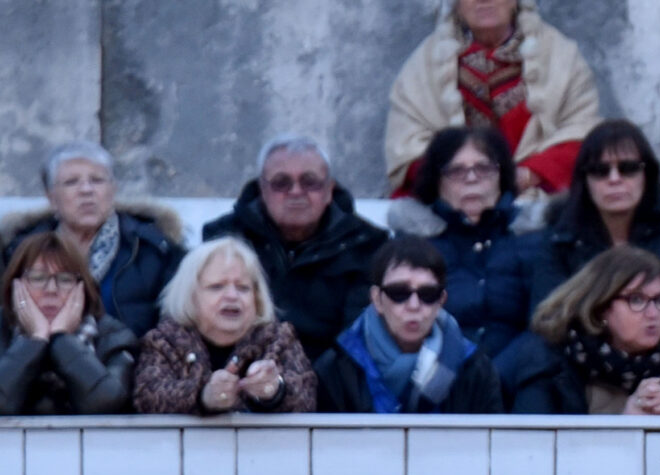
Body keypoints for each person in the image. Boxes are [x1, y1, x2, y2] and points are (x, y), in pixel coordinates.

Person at [385, 0, 602, 201]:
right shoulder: (424, 66)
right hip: (453, 207)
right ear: (456, 0)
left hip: (540, 200)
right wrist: (461, 178)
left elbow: (584, 134)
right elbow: (406, 149)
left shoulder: (561, 57)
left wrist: (527, 176)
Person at [201, 136, 389, 359]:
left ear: (329, 189)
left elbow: (358, 338)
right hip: (239, 371)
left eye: (309, 182)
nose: (296, 192)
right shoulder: (223, 238)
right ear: (262, 189)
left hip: (331, 380)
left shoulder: (368, 245)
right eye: (281, 183)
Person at [516, 122, 660, 320]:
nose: (614, 179)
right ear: (584, 180)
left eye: (628, 168)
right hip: (578, 349)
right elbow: (547, 318)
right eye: (600, 170)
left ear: (647, 174)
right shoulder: (560, 240)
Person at [0, 144, 183, 341]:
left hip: (128, 365)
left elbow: (173, 330)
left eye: (97, 180)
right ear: (51, 197)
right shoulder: (19, 251)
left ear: (113, 189)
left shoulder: (154, 251)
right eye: (71, 182)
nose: (86, 190)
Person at [386, 125, 537, 357]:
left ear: (502, 175)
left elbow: (546, 326)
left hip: (521, 377)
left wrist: (496, 378)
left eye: (483, 168)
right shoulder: (412, 244)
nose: (471, 178)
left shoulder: (532, 237)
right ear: (437, 181)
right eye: (456, 171)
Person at [131, 239, 320, 417]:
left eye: (243, 288)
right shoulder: (163, 341)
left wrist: (274, 390)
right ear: (190, 296)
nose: (232, 295)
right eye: (216, 287)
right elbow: (146, 398)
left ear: (257, 297)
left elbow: (307, 399)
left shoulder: (279, 339)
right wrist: (204, 395)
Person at [512, 247, 660, 417]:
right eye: (636, 300)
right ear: (599, 306)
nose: (653, 313)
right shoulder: (549, 359)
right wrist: (624, 428)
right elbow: (533, 452)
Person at [315, 240, 506, 415]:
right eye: (399, 293)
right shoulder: (336, 368)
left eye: (428, 293)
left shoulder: (476, 369)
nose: (414, 305)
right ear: (376, 299)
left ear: (441, 300)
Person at [0, 233, 136, 415]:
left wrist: (61, 340)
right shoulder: (3, 332)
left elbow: (106, 402)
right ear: (16, 286)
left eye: (65, 280)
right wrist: (35, 340)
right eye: (38, 278)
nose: (51, 290)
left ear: (82, 288)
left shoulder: (113, 338)